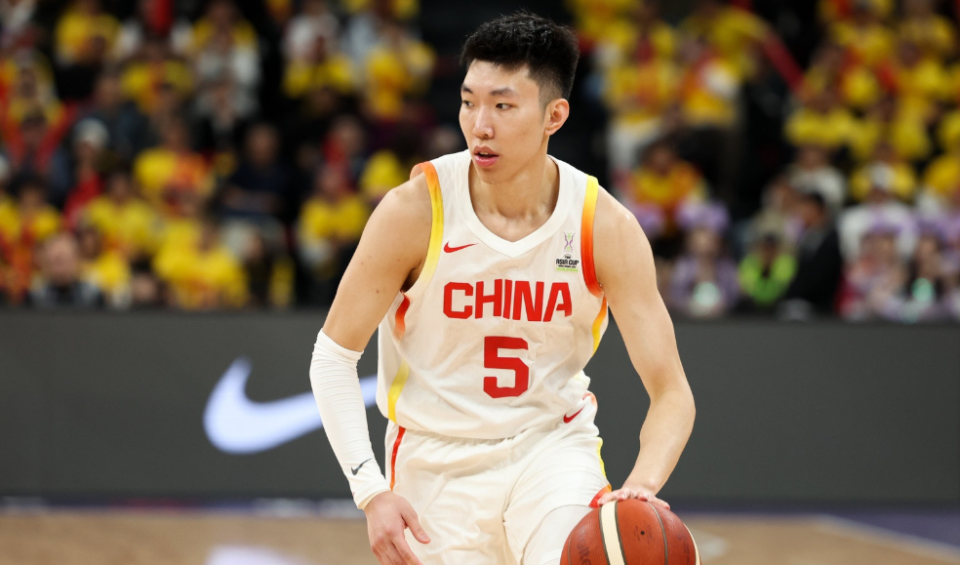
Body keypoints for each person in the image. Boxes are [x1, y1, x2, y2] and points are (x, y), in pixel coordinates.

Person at [308, 14, 695, 565]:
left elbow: (671, 391)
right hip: (434, 462)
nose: (479, 125)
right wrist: (370, 491)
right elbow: (333, 356)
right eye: (469, 103)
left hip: (552, 450)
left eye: (503, 106)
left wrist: (642, 487)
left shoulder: (603, 225)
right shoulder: (414, 210)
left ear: (554, 116)